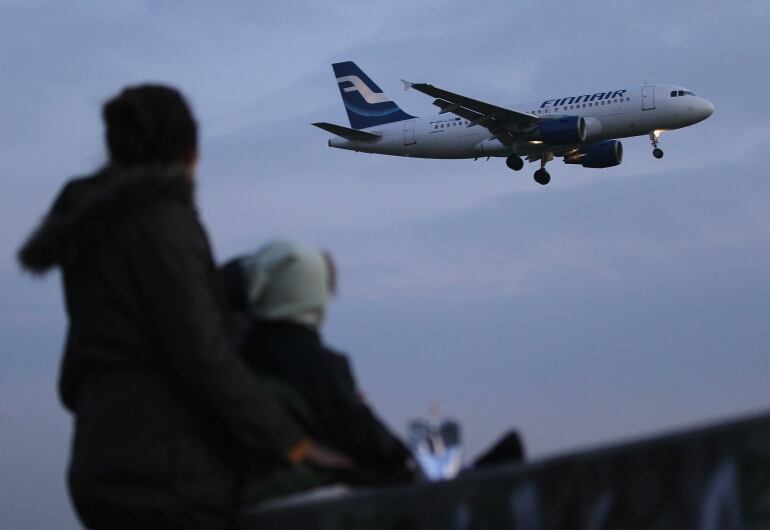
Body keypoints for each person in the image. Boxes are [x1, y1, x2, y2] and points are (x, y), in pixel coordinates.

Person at [17, 85, 344, 530]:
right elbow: (203, 356)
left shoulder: (93, 232)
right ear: (188, 153)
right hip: (168, 473)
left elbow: (88, 361)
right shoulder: (164, 225)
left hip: (100, 459)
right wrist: (295, 444)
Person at [222, 241, 416, 486]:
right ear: (313, 296)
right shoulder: (315, 364)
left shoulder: (239, 351)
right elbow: (360, 430)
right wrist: (403, 460)